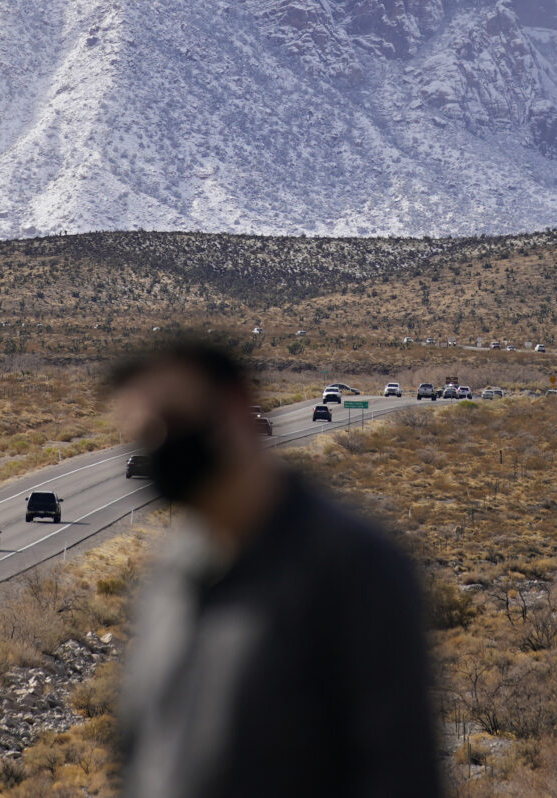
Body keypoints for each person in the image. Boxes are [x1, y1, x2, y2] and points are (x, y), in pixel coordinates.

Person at [108, 330, 441, 798]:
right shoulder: (170, 574)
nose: (162, 447)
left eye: (175, 423)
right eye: (144, 437)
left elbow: (398, 770)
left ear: (237, 407)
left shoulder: (351, 567)